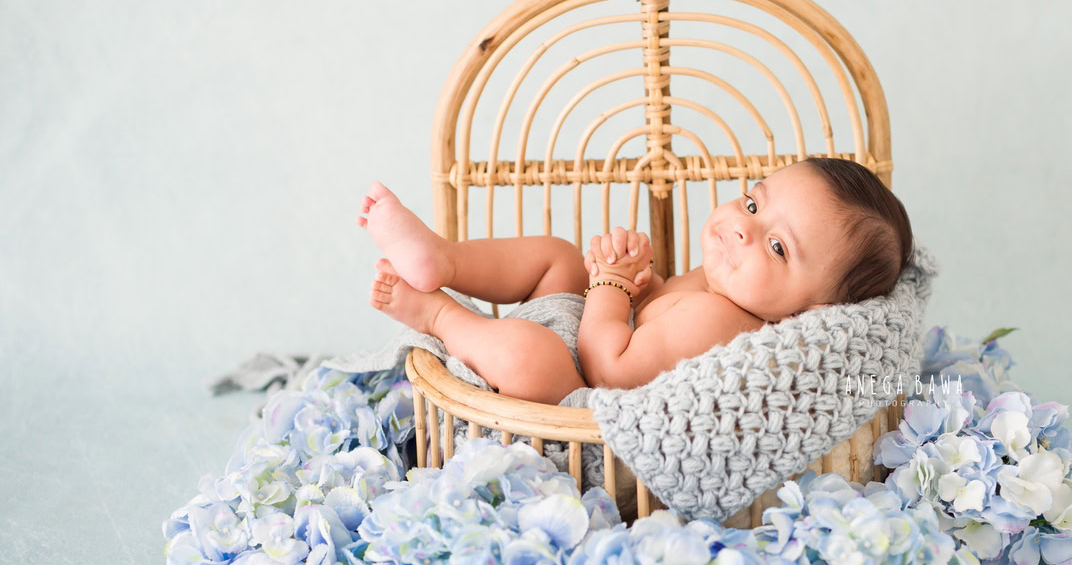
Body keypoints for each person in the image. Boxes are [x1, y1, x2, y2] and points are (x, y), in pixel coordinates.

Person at [357, 157, 913, 405]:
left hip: (568, 390)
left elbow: (612, 370)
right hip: (578, 339)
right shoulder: (722, 288)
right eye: (752, 202)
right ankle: (443, 260)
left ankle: (438, 313)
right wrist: (643, 283)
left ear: (811, 314)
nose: (744, 227)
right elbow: (656, 327)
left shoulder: (725, 322)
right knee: (558, 257)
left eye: (777, 247)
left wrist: (612, 287)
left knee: (531, 354)